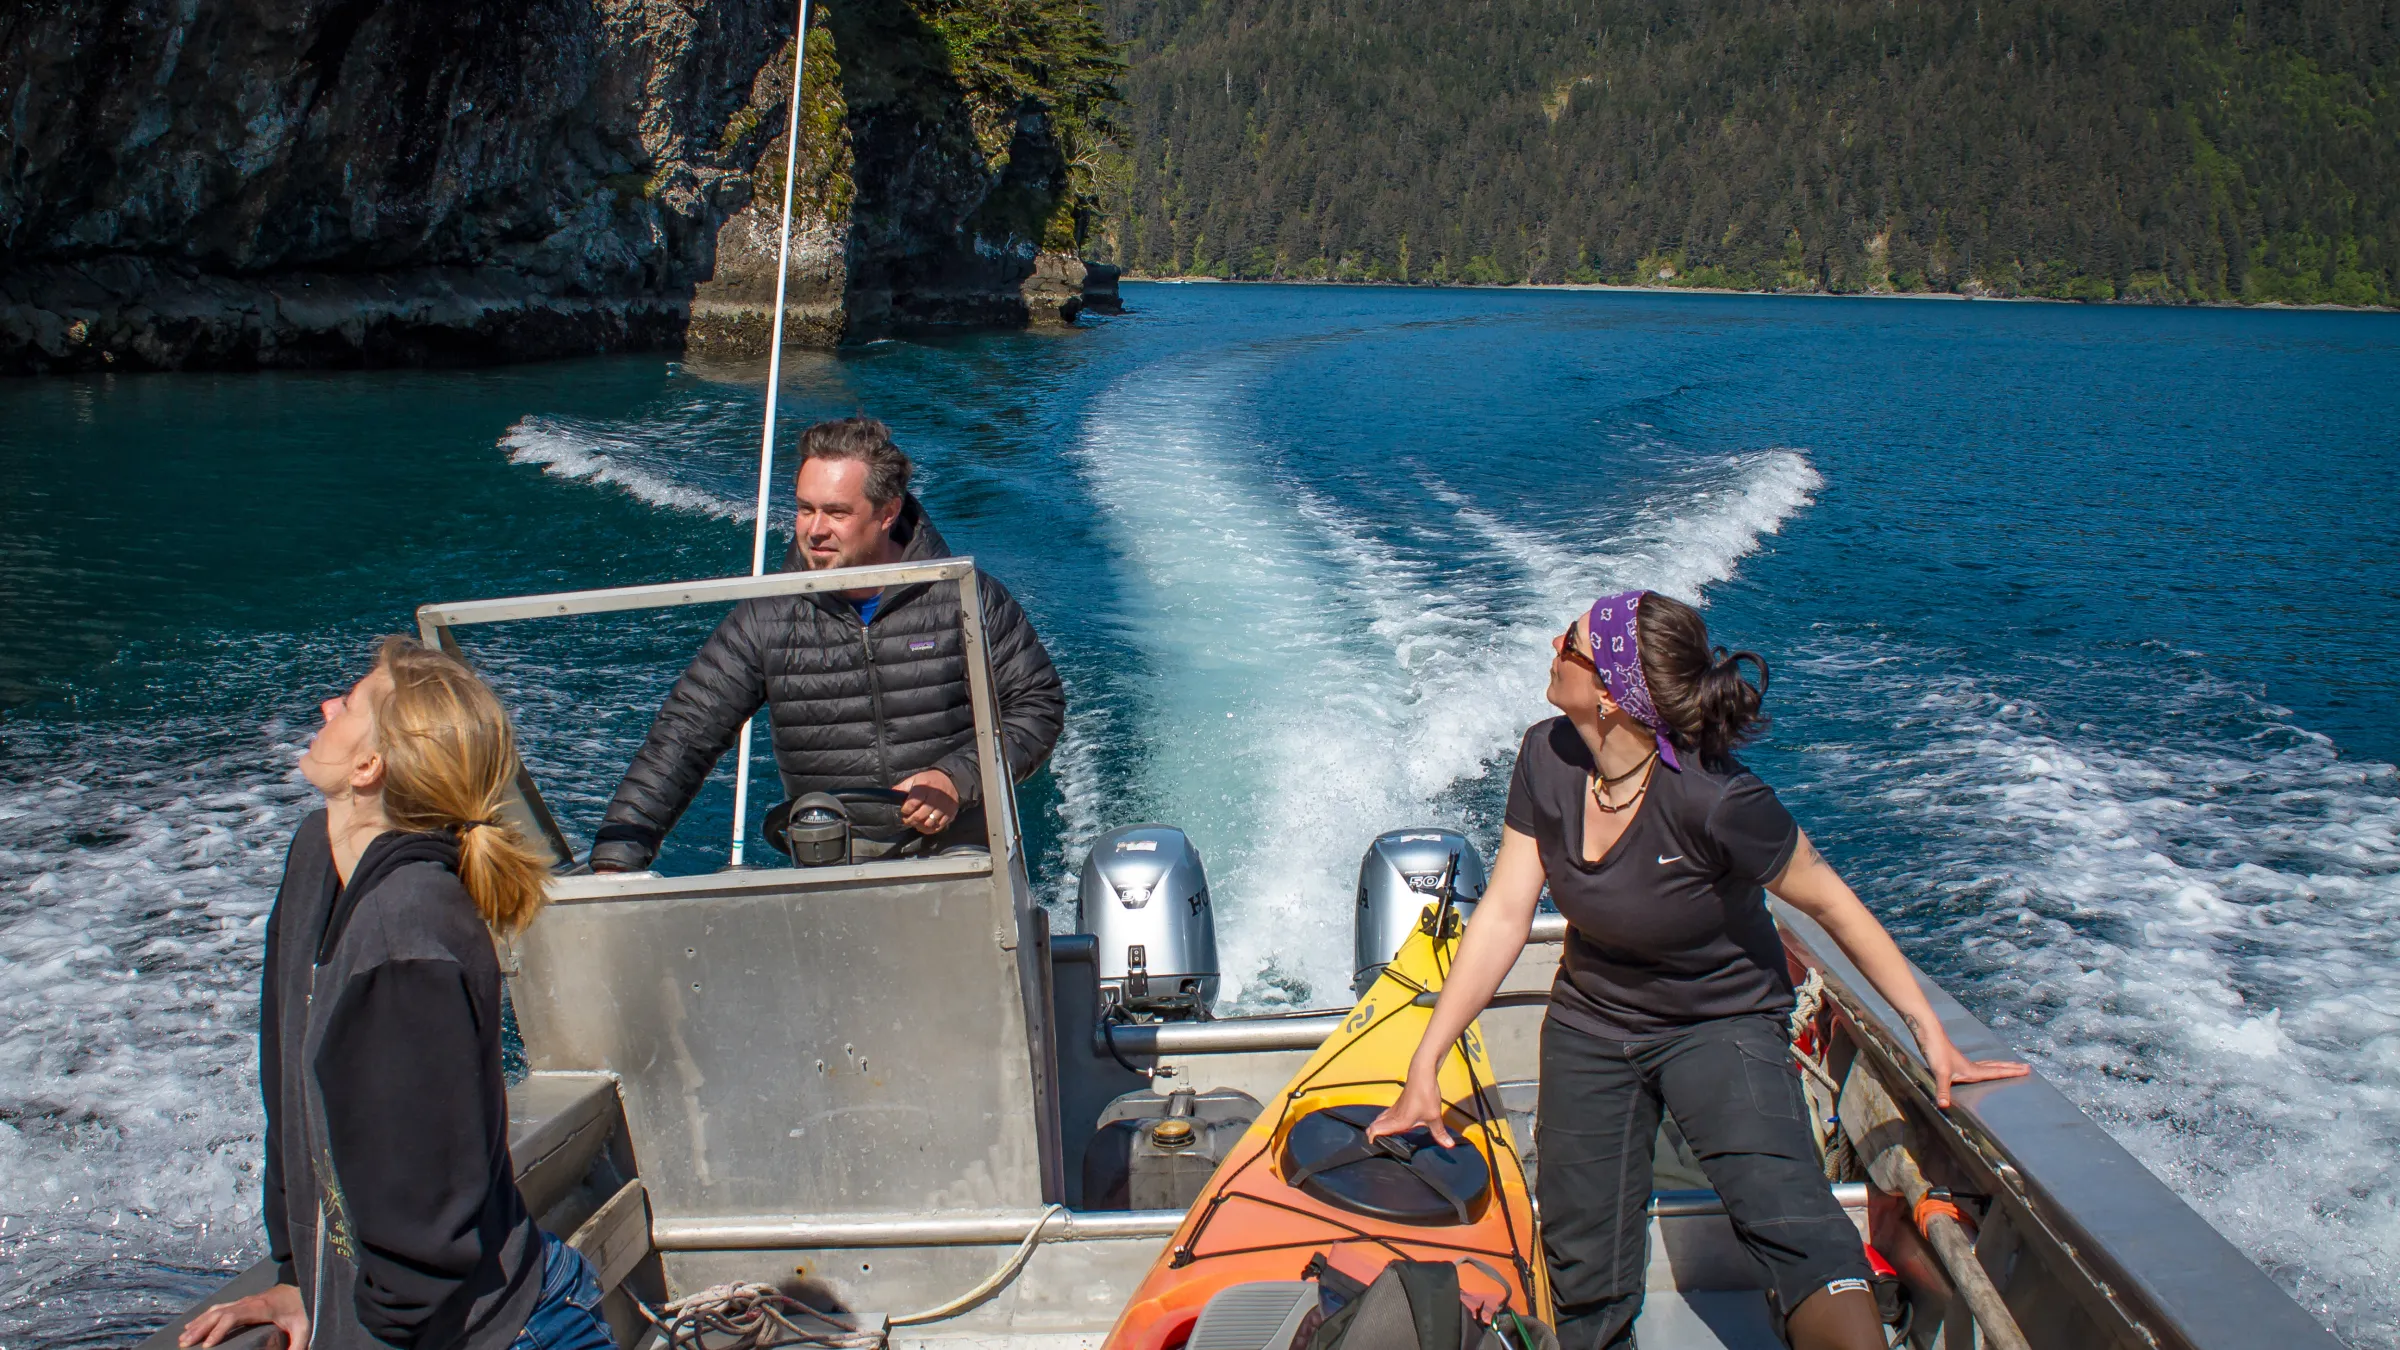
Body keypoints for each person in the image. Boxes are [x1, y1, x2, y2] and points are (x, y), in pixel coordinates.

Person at [1369, 591, 2028, 1350]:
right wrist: (1428, 1062)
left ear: (1611, 693)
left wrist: (1929, 1033)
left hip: (1721, 1022)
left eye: (1571, 644)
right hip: (1593, 1019)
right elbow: (1504, 917)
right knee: (1583, 1261)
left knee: (1794, 1226)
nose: (1553, 645)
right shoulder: (1545, 757)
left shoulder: (1718, 802)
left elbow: (1837, 907)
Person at [181, 637, 612, 1350]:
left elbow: (427, 1216)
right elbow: (287, 1073)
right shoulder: (318, 860)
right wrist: (298, 1276)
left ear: (368, 766)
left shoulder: (407, 934)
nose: (325, 705)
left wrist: (372, 1328)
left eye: (347, 704)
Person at [588, 416, 1064, 870]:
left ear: (888, 512)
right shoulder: (767, 615)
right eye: (805, 508)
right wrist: (618, 858)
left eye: (836, 512)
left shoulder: (964, 597)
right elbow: (686, 732)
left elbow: (1036, 705)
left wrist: (956, 778)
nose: (814, 530)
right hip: (831, 856)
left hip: (959, 851)